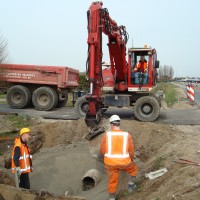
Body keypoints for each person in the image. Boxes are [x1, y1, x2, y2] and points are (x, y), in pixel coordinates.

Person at [100, 115, 138, 200]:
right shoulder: (126, 135)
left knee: (112, 180)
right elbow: (131, 151)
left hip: (110, 164)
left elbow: (102, 150)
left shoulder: (107, 135)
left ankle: (112, 198)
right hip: (124, 163)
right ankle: (131, 185)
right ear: (119, 123)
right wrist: (131, 159)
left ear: (111, 124)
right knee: (134, 168)